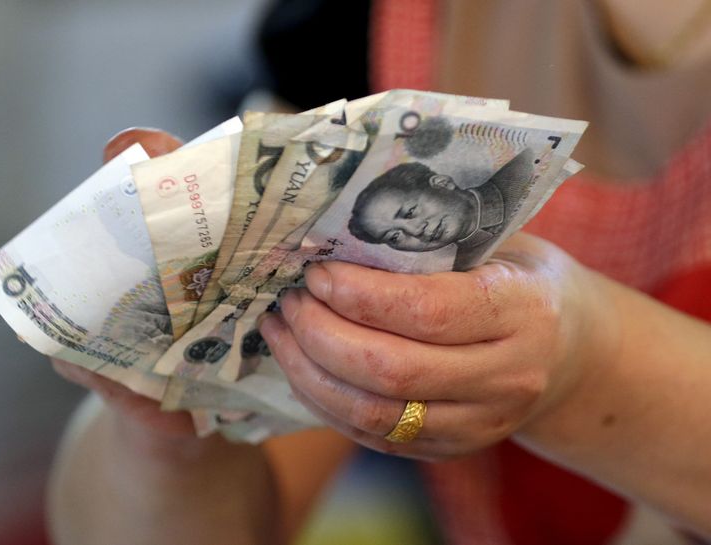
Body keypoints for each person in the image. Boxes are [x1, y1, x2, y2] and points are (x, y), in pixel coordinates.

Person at [47, 1, 711, 544]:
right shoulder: (363, 25)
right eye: (394, 229)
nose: (410, 236)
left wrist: (588, 362)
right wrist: (171, 414)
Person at [348, 149, 535, 270]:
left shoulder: (524, 170)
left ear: (442, 183)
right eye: (394, 237)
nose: (415, 231)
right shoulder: (460, 269)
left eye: (410, 212)